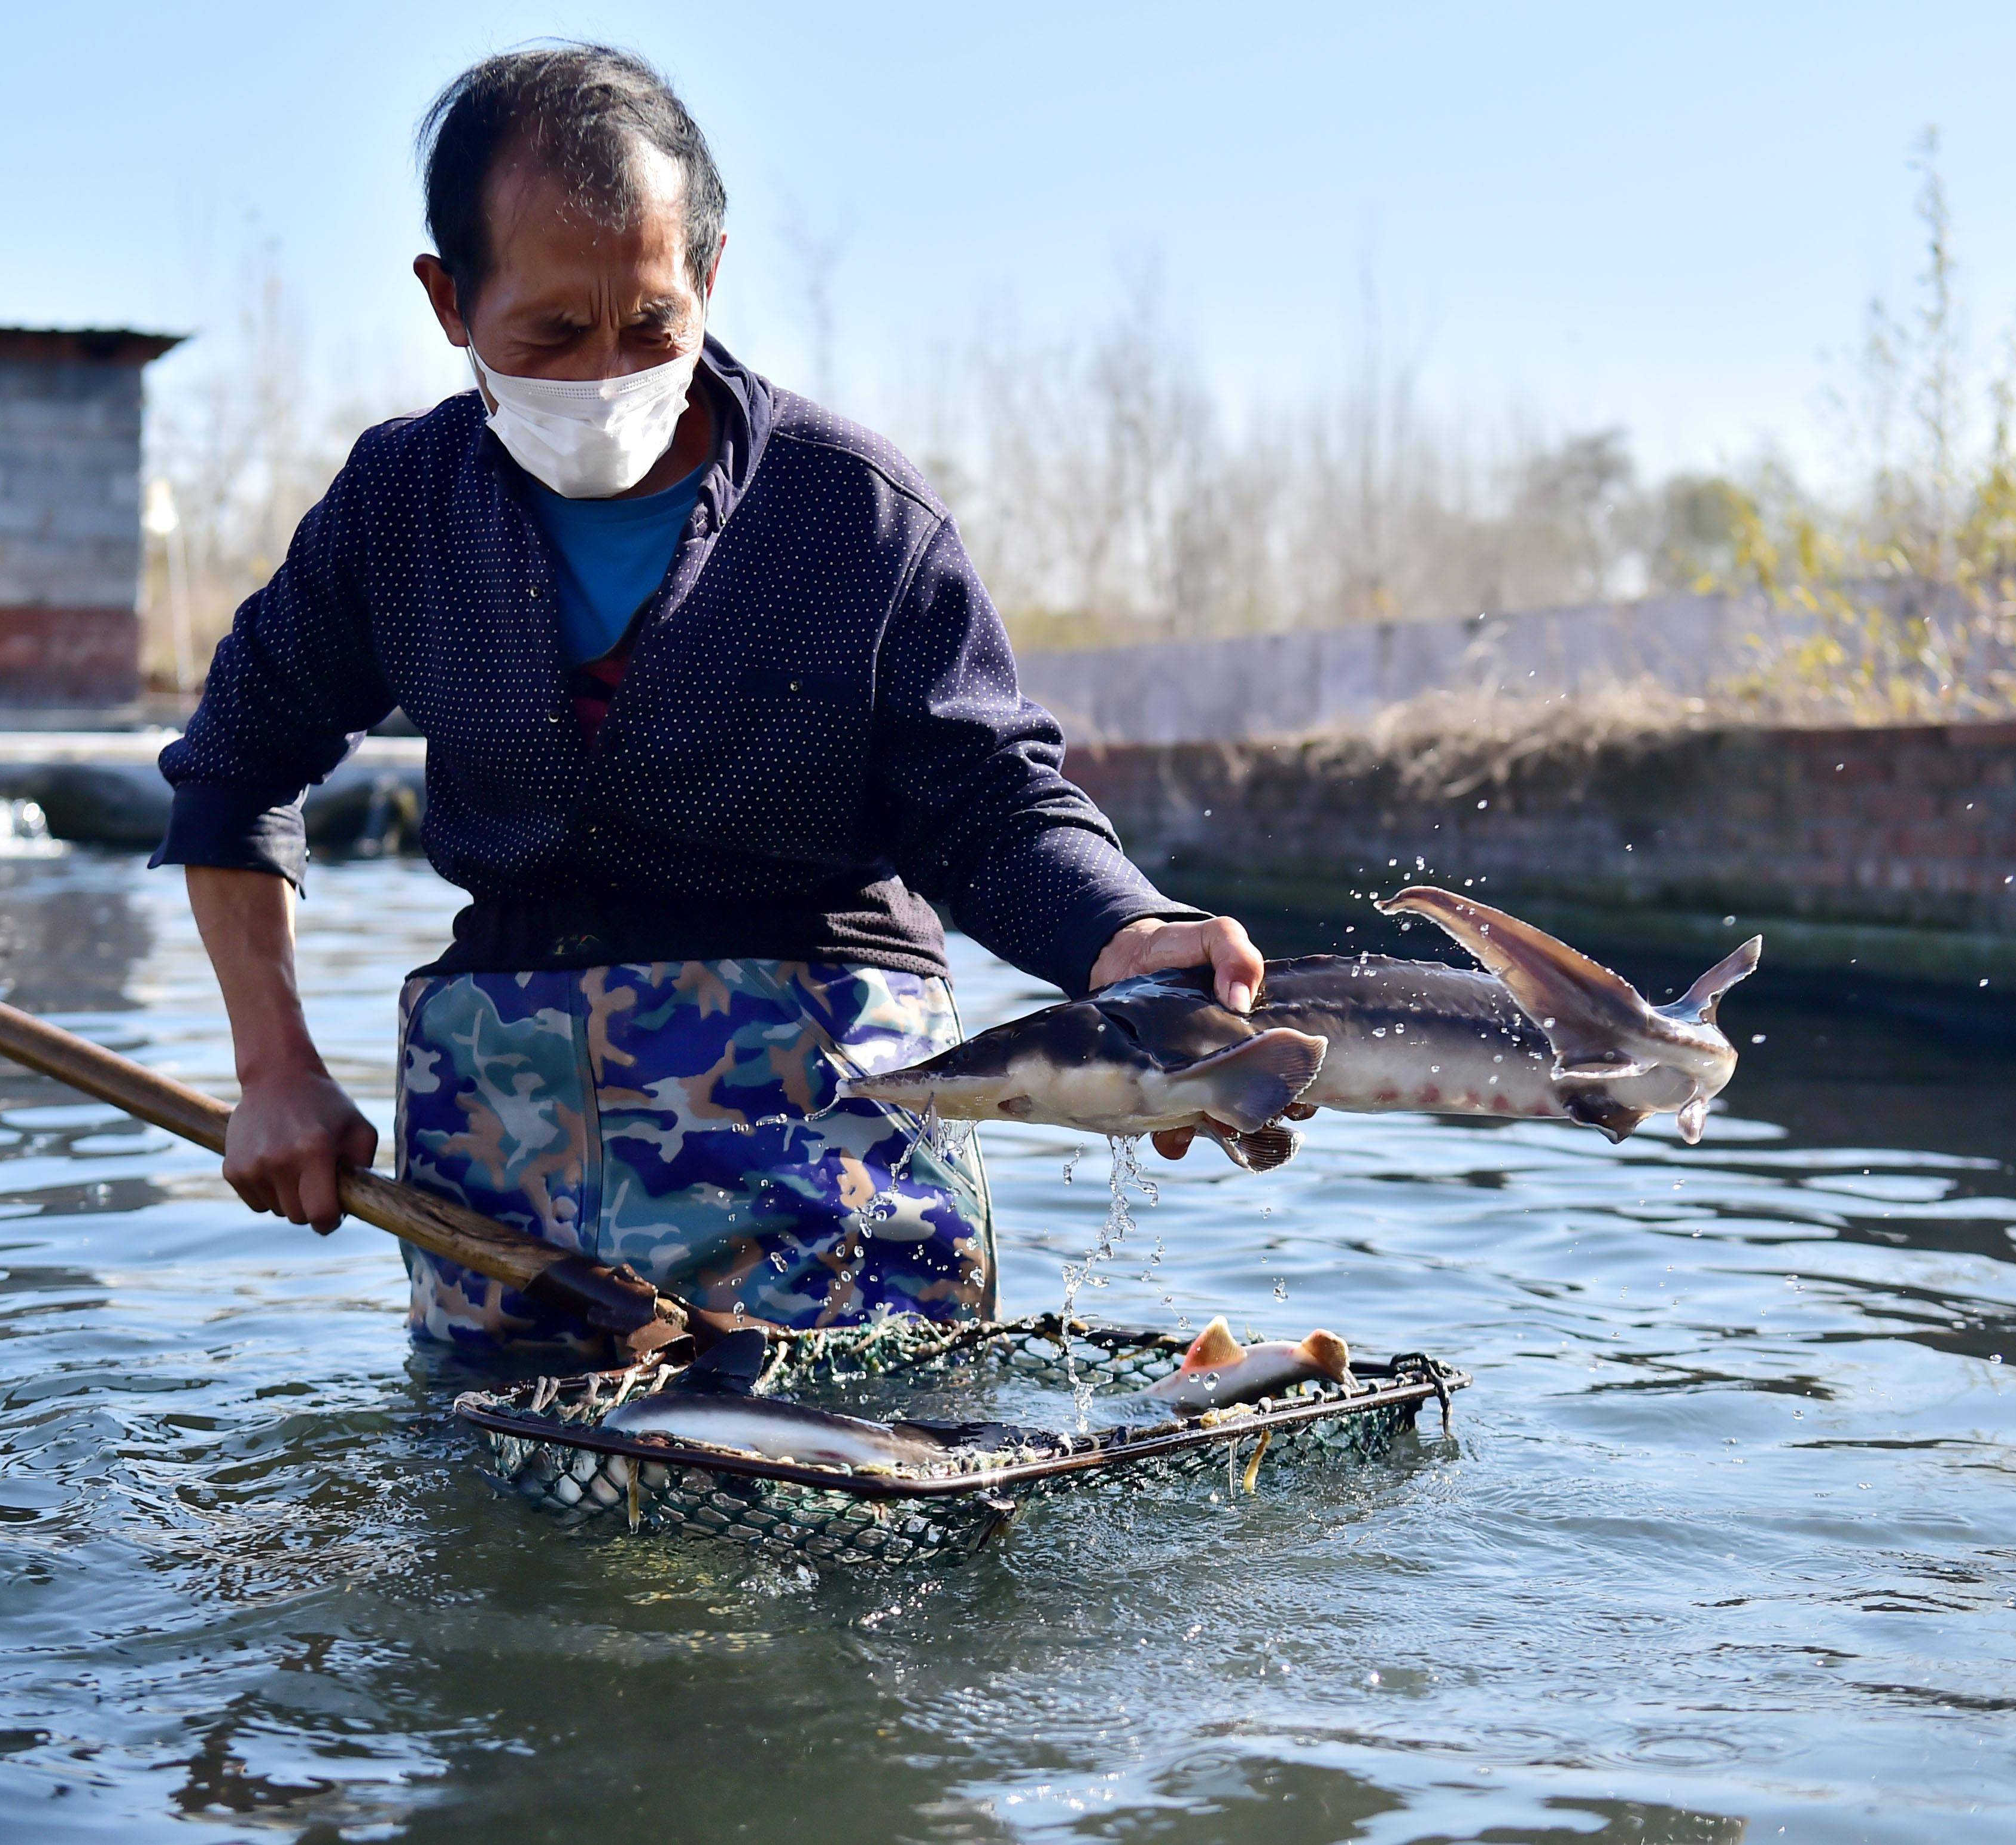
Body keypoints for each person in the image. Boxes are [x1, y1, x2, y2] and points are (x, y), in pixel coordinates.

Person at [154, 44, 1263, 1356]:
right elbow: (235, 766)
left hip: (825, 1106)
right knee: (519, 1516)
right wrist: (273, 1067)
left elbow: (991, 807)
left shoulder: (851, 513)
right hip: (511, 1132)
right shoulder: (398, 508)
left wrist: (1123, 936)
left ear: (710, 278)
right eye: (552, 334)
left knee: (855, 1480)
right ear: (450, 302)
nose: (606, 374)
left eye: (651, 327)